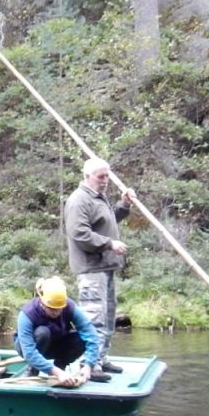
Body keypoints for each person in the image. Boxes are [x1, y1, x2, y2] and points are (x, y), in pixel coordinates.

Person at [63, 157, 135, 374]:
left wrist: (124, 205)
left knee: (108, 316)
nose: (105, 181)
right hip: (91, 268)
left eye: (107, 176)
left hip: (106, 266)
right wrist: (109, 244)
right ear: (87, 176)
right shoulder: (79, 200)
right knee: (93, 317)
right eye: (100, 177)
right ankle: (89, 363)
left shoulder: (98, 198)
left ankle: (101, 358)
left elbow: (107, 221)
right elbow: (79, 234)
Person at [15, 277, 107, 385]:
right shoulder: (27, 314)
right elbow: (29, 352)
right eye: (51, 309)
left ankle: (60, 367)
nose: (56, 312)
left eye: (59, 309)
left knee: (81, 338)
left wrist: (89, 365)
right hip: (30, 347)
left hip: (55, 344)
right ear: (42, 303)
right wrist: (56, 372)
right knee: (43, 332)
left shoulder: (70, 307)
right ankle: (33, 370)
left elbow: (91, 334)